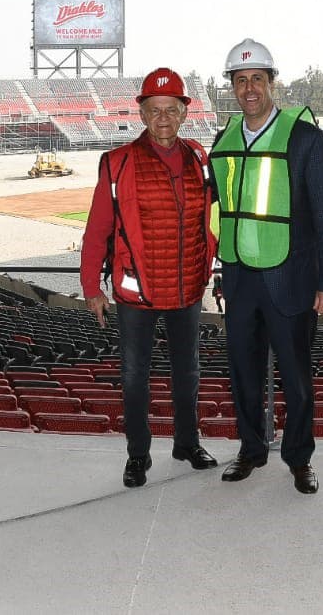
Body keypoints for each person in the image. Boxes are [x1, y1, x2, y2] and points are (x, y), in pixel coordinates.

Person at [211, 39, 323, 496]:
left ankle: (299, 459)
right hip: (239, 280)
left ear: (272, 83)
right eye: (240, 80)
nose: (249, 88)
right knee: (243, 376)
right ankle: (251, 450)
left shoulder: (304, 138)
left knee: (296, 379)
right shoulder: (225, 138)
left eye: (257, 79)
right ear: (232, 87)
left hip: (290, 279)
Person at [80, 67, 218, 488]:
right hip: (136, 293)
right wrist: (91, 287)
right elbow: (97, 230)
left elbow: (215, 218)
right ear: (141, 114)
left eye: (171, 109)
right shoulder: (117, 163)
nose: (163, 118)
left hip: (187, 287)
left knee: (187, 374)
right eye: (154, 109)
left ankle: (187, 443)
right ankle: (138, 454)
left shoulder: (200, 158)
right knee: (134, 378)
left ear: (184, 113)